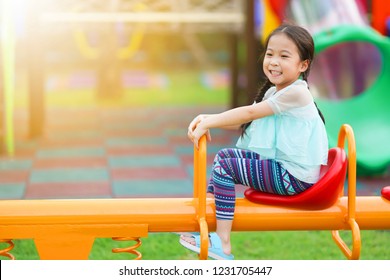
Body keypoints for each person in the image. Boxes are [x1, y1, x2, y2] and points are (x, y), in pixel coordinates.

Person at [179, 23, 328, 260]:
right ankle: (205, 225)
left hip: (293, 178)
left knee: (226, 167)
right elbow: (244, 120)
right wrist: (208, 118)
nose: (273, 61)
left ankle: (223, 242)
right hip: (285, 170)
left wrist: (210, 122)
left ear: (303, 65)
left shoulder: (297, 93)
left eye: (284, 56)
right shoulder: (275, 92)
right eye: (269, 54)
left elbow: (248, 114)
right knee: (225, 157)